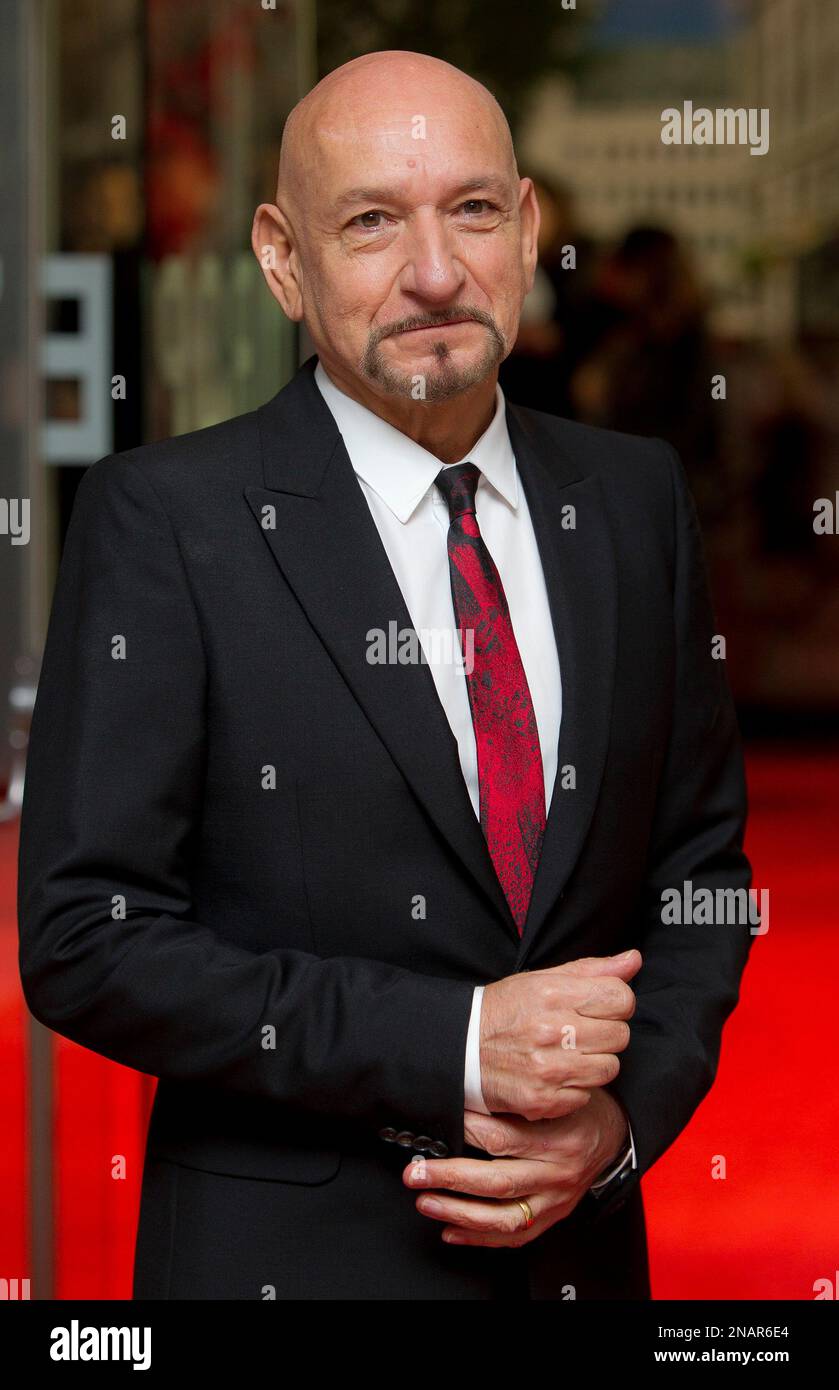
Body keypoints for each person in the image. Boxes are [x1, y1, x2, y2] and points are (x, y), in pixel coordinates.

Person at [17, 51, 754, 1301]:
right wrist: (458, 1042)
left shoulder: (629, 501)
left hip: (576, 1260)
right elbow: (88, 937)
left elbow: (701, 877)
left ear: (525, 233)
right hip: (288, 1268)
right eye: (368, 222)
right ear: (281, 262)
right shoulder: (169, 521)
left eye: (470, 209)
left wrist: (616, 1127)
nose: (430, 270)